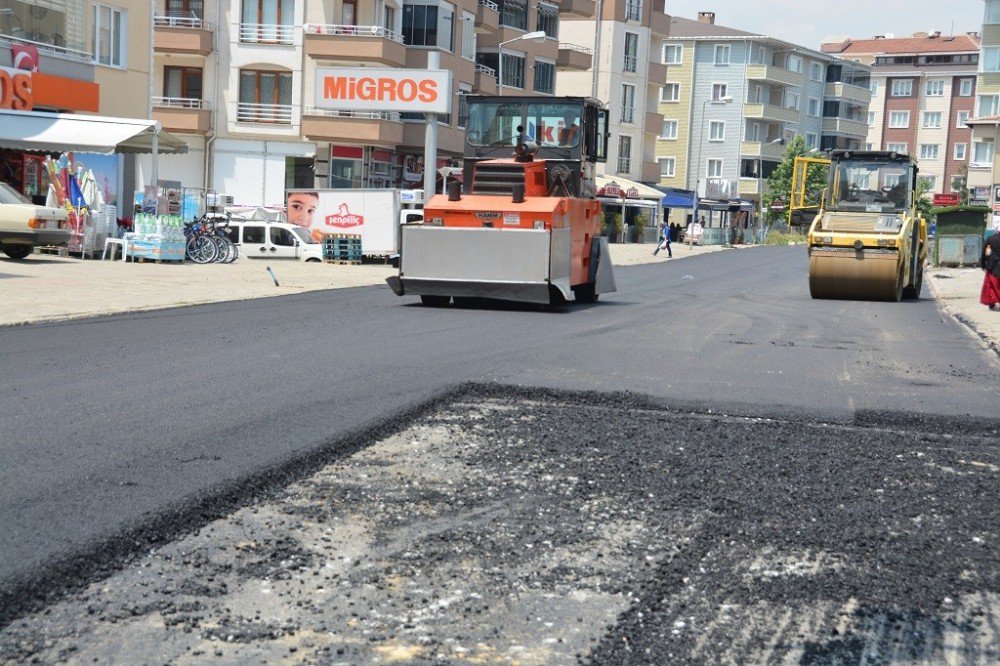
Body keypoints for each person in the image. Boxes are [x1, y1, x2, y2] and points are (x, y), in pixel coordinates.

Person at [981, 231, 1000, 311]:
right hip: (994, 264)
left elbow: (983, 251)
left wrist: (983, 264)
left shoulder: (991, 238)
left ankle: (992, 302)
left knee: (991, 284)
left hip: (992, 265)